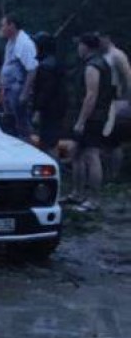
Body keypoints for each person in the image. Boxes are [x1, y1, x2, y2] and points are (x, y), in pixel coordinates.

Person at [66, 33, 113, 211]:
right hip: (95, 115)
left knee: (91, 155)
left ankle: (94, 199)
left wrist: (81, 121)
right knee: (76, 153)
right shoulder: (99, 63)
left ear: (86, 46)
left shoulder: (93, 66)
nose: (78, 48)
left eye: (80, 45)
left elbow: (91, 96)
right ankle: (77, 193)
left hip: (92, 117)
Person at [0, 15, 38, 139]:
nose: (1, 28)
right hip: (9, 89)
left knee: (22, 125)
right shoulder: (10, 42)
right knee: (10, 123)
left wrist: (24, 93)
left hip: (18, 89)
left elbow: (32, 69)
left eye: (3, 25)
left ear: (12, 25)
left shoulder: (25, 43)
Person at [101, 32, 131, 180]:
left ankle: (114, 175)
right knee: (106, 141)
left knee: (114, 141)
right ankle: (107, 174)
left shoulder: (117, 55)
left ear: (106, 38)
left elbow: (128, 78)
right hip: (106, 102)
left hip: (118, 102)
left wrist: (126, 101)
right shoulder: (102, 56)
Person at [32, 32, 68, 153]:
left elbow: (45, 91)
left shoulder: (46, 67)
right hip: (58, 108)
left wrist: (37, 109)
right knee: (51, 141)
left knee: (48, 143)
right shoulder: (57, 63)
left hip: (48, 111)